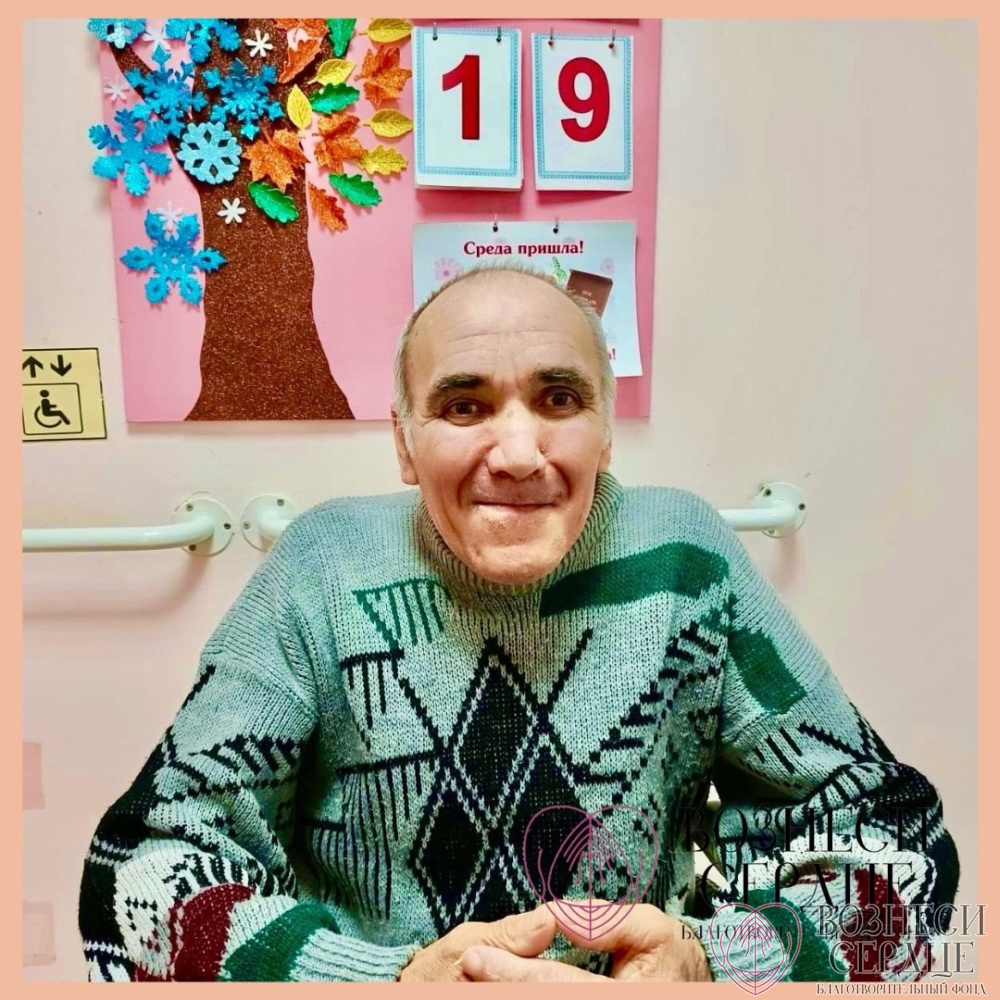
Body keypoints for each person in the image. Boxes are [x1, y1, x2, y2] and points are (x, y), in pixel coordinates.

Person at [78, 264, 959, 983]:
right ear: (403, 442)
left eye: (559, 399)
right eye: (463, 406)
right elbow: (138, 876)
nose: (518, 453)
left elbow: (901, 849)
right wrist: (386, 982)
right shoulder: (320, 570)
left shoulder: (688, 562)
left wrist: (705, 963)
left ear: (605, 432)